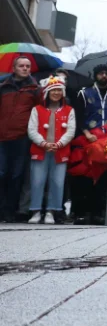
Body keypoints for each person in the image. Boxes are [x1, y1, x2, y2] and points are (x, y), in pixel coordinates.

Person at [71, 64, 107, 224]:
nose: (104, 76)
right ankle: (82, 213)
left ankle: (100, 213)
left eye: (106, 74)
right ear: (95, 75)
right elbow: (78, 116)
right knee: (85, 176)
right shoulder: (84, 93)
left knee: (103, 177)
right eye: (100, 73)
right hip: (88, 139)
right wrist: (86, 133)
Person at [26, 75, 73, 223]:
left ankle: (51, 212)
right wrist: (43, 143)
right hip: (40, 150)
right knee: (37, 181)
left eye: (59, 90)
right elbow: (31, 130)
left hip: (60, 151)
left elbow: (70, 131)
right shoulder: (37, 110)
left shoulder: (69, 110)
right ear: (47, 92)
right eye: (53, 90)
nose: (56, 93)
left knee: (57, 182)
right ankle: (36, 211)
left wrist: (59, 144)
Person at [0, 55, 40, 221]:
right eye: (21, 66)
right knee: (1, 173)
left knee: (16, 175)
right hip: (2, 137)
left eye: (27, 66)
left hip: (22, 137)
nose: (25, 68)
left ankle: (10, 211)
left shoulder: (35, 89)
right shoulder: (3, 86)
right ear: (14, 68)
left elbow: (38, 113)